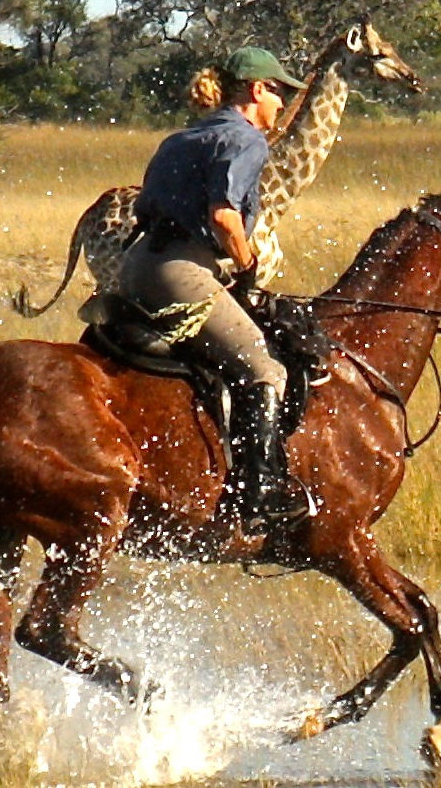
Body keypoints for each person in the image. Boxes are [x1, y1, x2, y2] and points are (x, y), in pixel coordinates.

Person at [120, 45, 307, 532]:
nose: (282, 106)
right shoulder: (245, 140)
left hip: (137, 264)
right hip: (181, 270)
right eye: (280, 93)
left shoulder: (181, 137)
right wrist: (247, 264)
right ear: (257, 89)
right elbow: (224, 216)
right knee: (264, 366)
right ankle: (259, 492)